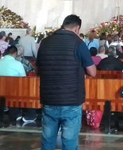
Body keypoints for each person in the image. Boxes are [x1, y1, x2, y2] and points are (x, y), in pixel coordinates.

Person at [37, 15, 96, 150]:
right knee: (69, 141)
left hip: (49, 99)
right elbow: (92, 72)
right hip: (71, 99)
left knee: (47, 140)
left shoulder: (45, 42)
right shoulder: (78, 43)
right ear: (77, 28)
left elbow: (38, 69)